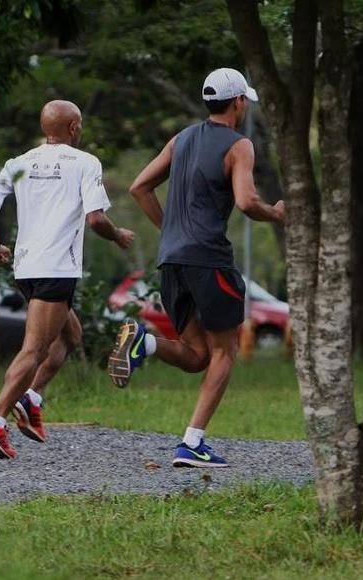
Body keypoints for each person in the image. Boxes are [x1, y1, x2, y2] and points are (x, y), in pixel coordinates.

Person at [107, 68, 286, 468]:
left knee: (196, 355)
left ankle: (145, 342)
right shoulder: (240, 145)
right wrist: (275, 214)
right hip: (208, 258)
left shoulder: (181, 138)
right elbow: (245, 200)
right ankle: (192, 443)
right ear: (238, 101)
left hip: (171, 260)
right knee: (225, 351)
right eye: (245, 101)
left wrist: (170, 230)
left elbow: (139, 187)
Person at [0, 100, 135, 459]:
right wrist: (118, 234)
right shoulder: (85, 163)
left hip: (27, 268)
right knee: (34, 349)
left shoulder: (20, 163)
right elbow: (95, 219)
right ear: (74, 128)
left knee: (70, 334)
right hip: (57, 269)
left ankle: (30, 400)